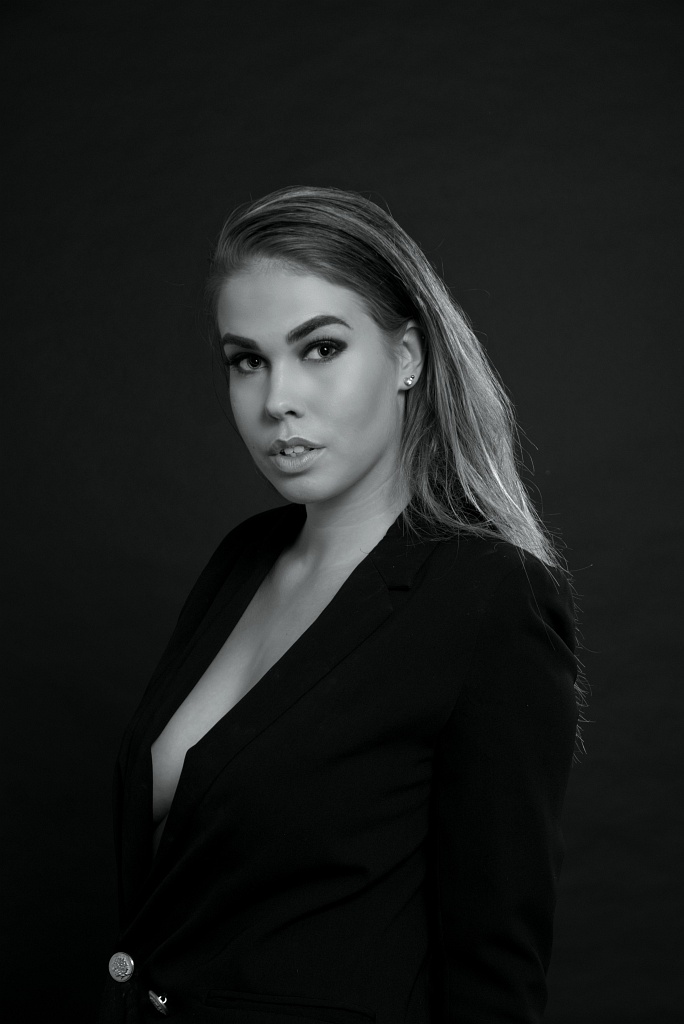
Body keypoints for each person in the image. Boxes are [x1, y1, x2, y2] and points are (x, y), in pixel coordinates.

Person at [99, 186, 584, 1024]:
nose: (276, 400)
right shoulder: (244, 558)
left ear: (408, 356)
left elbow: (495, 969)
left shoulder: (488, 597)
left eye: (320, 348)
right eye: (247, 360)